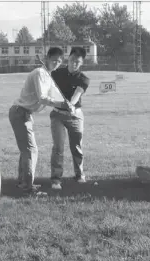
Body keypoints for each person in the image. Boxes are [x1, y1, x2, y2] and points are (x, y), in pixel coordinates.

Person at [9, 47, 69, 195]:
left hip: (24, 113)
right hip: (20, 112)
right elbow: (42, 98)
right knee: (31, 150)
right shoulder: (39, 73)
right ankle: (27, 187)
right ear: (47, 58)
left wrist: (65, 103)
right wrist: (61, 104)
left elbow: (54, 94)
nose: (56, 63)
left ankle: (23, 183)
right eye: (54, 60)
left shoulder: (47, 75)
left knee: (26, 150)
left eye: (59, 61)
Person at [49, 47, 90, 190]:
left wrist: (71, 105)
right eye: (72, 60)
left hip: (75, 115)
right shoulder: (56, 73)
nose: (74, 64)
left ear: (82, 63)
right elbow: (47, 83)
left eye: (77, 62)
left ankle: (79, 175)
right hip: (57, 114)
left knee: (76, 146)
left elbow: (77, 95)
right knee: (58, 147)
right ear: (68, 58)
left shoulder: (83, 79)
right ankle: (56, 179)